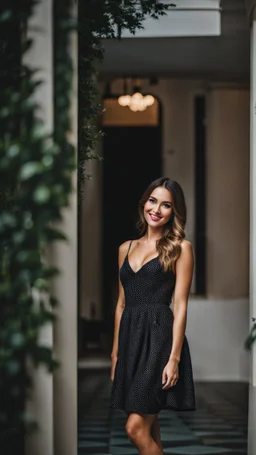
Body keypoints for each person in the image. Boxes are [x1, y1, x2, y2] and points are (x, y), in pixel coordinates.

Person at [110, 176, 196, 455]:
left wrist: (174, 358)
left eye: (166, 205)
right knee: (148, 429)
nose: (156, 209)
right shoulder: (126, 247)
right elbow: (121, 304)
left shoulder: (181, 248)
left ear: (175, 212)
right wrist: (115, 356)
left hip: (158, 342)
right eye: (152, 201)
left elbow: (180, 304)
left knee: (134, 429)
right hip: (131, 342)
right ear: (144, 203)